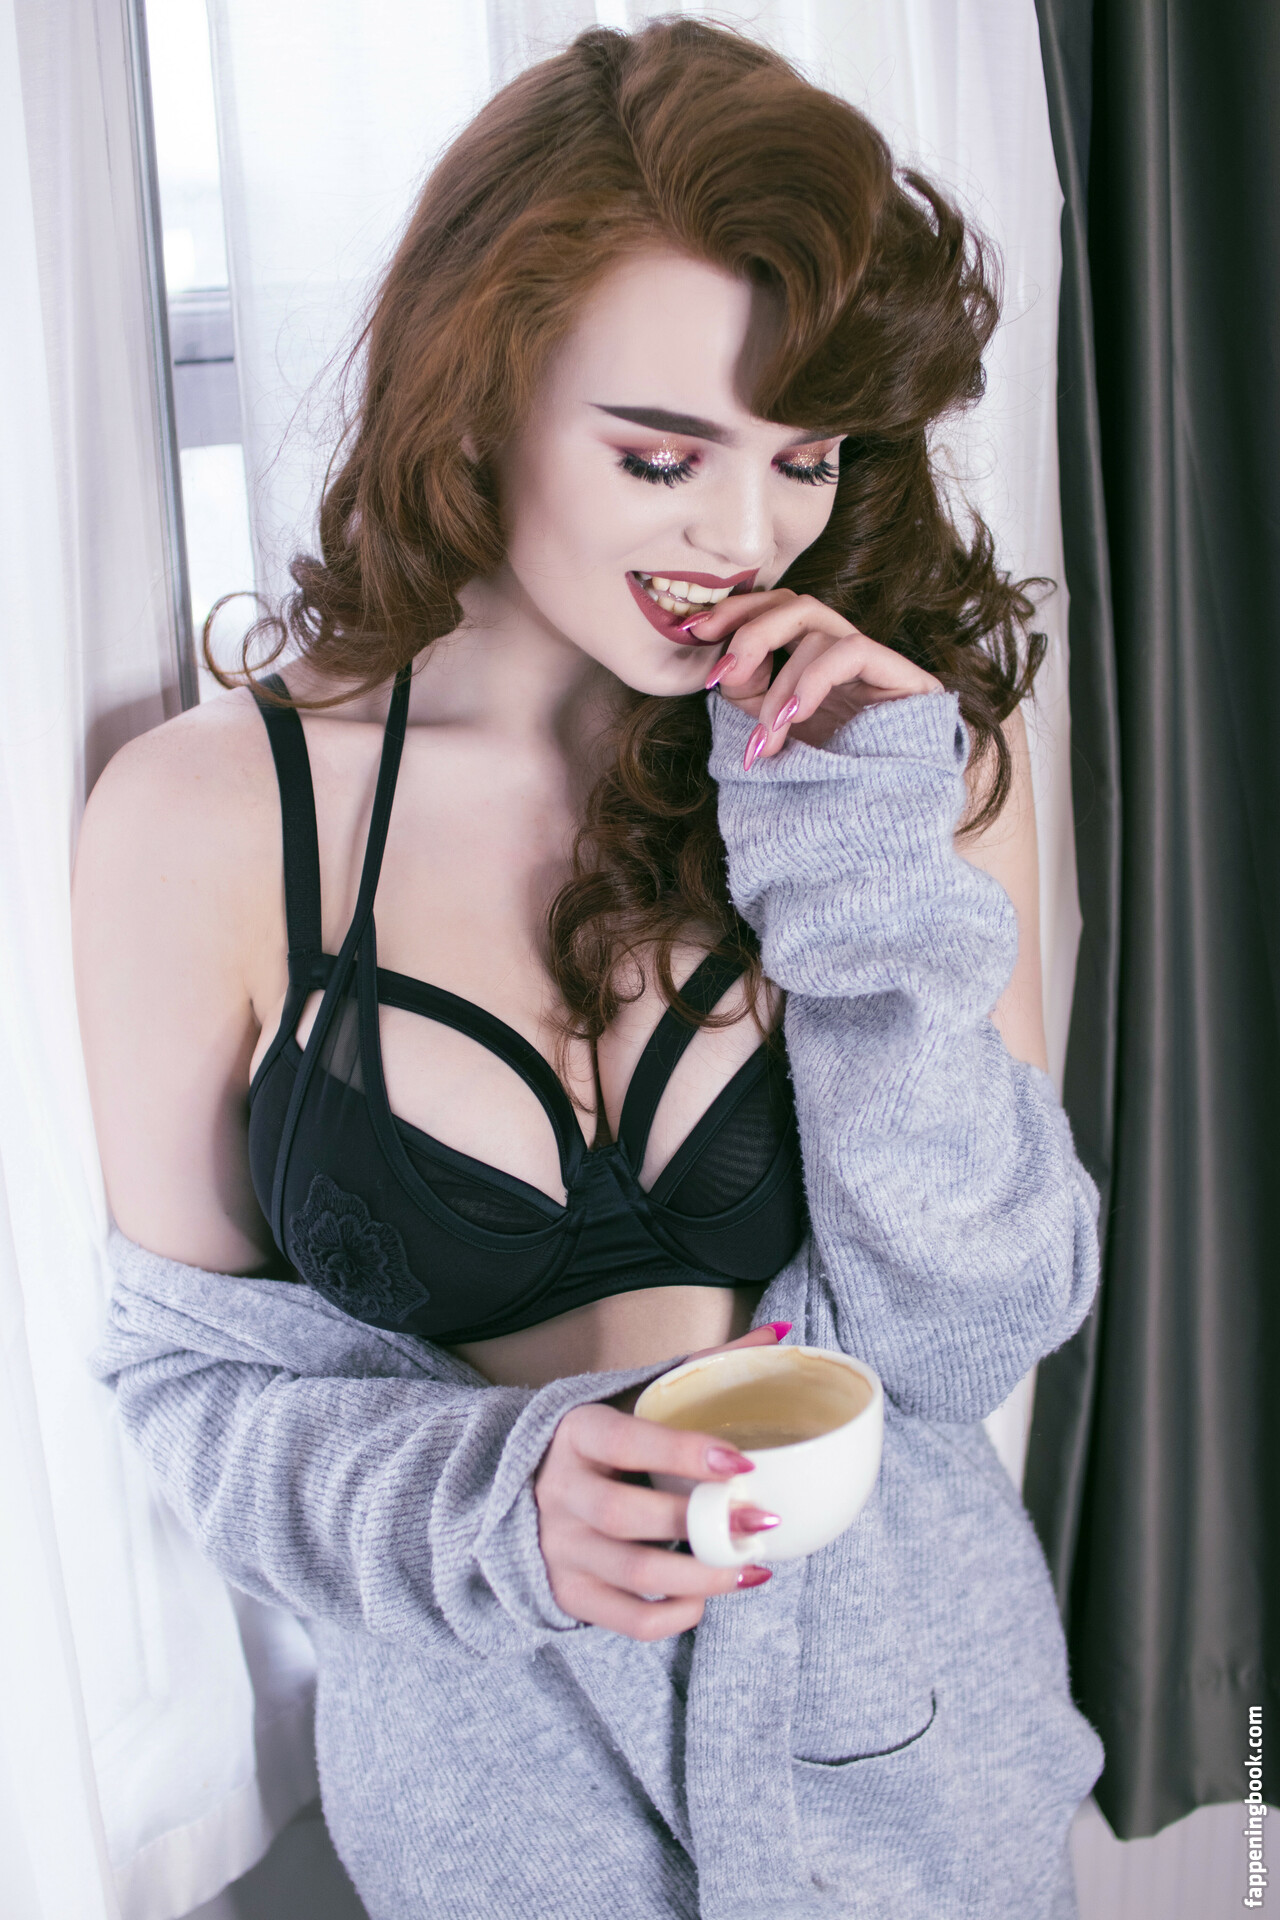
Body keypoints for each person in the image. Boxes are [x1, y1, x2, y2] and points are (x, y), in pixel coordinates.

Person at [75, 19, 1103, 1918]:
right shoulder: (202, 824)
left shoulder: (898, 758)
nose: (747, 535)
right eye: (659, 455)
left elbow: (968, 1333)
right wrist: (497, 1503)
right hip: (499, 1838)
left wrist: (854, 847)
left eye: (805, 457)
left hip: (916, 1796)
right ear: (479, 396)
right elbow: (194, 1386)